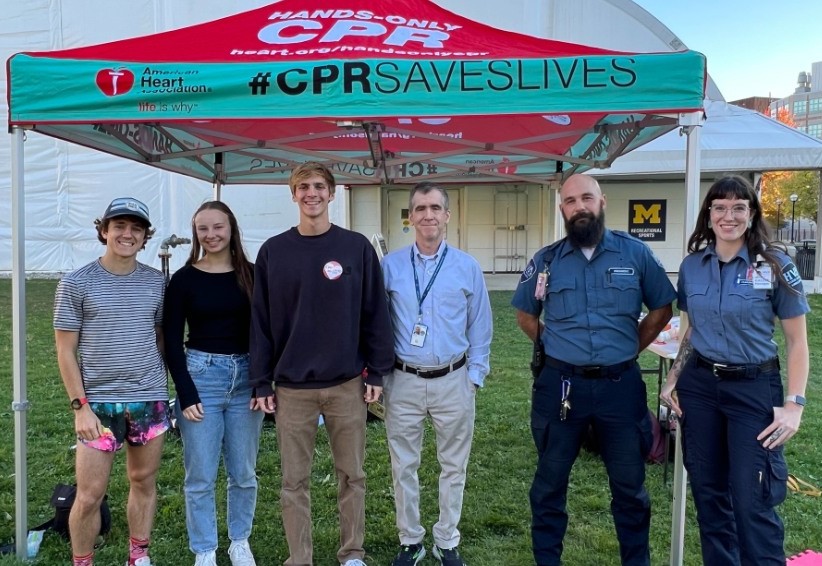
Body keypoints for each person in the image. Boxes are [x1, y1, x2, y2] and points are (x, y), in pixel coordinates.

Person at [511, 174, 675, 566]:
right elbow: (524, 314)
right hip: (561, 387)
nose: (579, 206)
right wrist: (557, 347)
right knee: (548, 487)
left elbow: (662, 308)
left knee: (630, 490)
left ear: (603, 202)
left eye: (587, 197)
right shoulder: (546, 260)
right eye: (570, 201)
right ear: (562, 209)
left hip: (620, 388)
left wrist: (628, 348)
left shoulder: (634, 254)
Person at [249, 161, 395, 566]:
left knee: (354, 476)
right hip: (292, 388)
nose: (311, 194)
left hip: (346, 384)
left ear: (333, 194)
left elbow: (374, 312)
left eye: (318, 187)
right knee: (294, 481)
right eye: (303, 187)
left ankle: (352, 554)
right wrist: (261, 381)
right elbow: (260, 321)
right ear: (292, 195)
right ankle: (300, 558)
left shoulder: (356, 248)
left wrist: (377, 370)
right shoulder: (273, 252)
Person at [659, 175, 809, 565]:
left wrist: (794, 405)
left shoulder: (776, 265)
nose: (729, 215)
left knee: (751, 498)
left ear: (752, 213)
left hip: (753, 388)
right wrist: (673, 379)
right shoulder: (692, 267)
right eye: (720, 207)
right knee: (709, 496)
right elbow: (691, 329)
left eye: (739, 207)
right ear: (709, 215)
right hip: (700, 388)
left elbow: (797, 342)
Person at [382, 182, 493, 566]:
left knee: (453, 465)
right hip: (404, 381)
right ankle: (411, 540)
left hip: (453, 380)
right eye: (419, 208)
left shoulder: (467, 266)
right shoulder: (391, 266)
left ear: (447, 215)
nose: (427, 214)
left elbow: (481, 325)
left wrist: (474, 375)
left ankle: (446, 540)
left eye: (435, 208)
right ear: (410, 217)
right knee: (403, 466)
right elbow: (377, 323)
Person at [54, 197, 169, 566]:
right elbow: (65, 351)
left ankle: (138, 555)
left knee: (143, 481)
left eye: (136, 228)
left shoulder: (156, 283)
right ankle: (82, 561)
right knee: (89, 495)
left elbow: (160, 336)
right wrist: (80, 408)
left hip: (148, 400)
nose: (127, 234)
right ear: (104, 231)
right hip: (98, 405)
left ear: (145, 237)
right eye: (119, 226)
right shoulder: (76, 283)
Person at [163, 201, 263, 566]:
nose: (211, 235)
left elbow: (265, 332)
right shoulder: (184, 279)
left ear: (231, 228)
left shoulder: (252, 274)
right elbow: (172, 340)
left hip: (246, 380)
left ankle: (240, 541)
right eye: (203, 229)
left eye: (218, 227)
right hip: (201, 377)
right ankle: (204, 548)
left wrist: (262, 383)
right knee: (200, 474)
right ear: (195, 234)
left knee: (244, 472)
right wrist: (186, 392)